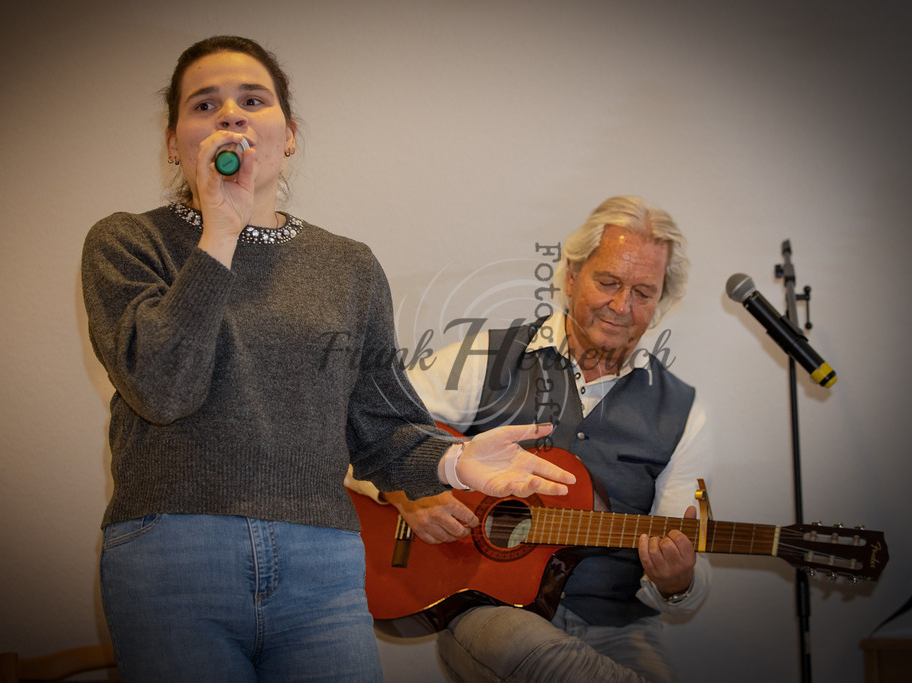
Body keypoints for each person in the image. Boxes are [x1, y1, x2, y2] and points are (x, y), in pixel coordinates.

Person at [80, 35, 573, 683]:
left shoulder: (348, 265)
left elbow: (382, 429)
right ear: (175, 142)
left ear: (288, 134)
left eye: (252, 100)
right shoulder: (128, 241)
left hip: (323, 568)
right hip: (176, 554)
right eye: (205, 104)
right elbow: (161, 387)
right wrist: (220, 231)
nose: (230, 114)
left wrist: (456, 460)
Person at [356, 196, 711, 682]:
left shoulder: (684, 412)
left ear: (661, 302)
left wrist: (678, 581)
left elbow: (685, 560)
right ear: (570, 275)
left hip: (618, 627)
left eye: (643, 292)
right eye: (607, 282)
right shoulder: (488, 356)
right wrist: (408, 494)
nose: (621, 306)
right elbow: (362, 429)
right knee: (548, 662)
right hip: (489, 614)